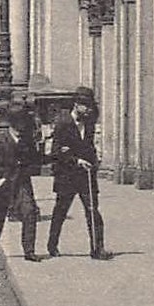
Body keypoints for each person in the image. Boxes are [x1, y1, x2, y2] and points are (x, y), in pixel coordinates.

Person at [0, 99, 43, 268]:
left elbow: (36, 160)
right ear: (12, 124)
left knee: (30, 213)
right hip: (4, 185)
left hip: (22, 184)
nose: (22, 128)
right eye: (19, 124)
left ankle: (29, 251)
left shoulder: (27, 141)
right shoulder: (0, 141)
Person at [48, 86, 108, 259]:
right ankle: (52, 246)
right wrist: (76, 160)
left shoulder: (89, 124)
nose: (89, 110)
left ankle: (97, 248)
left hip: (86, 176)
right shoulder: (62, 123)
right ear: (76, 105)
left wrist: (94, 160)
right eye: (85, 106)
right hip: (66, 176)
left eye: (90, 106)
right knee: (60, 211)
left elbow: (89, 147)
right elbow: (56, 152)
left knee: (92, 210)